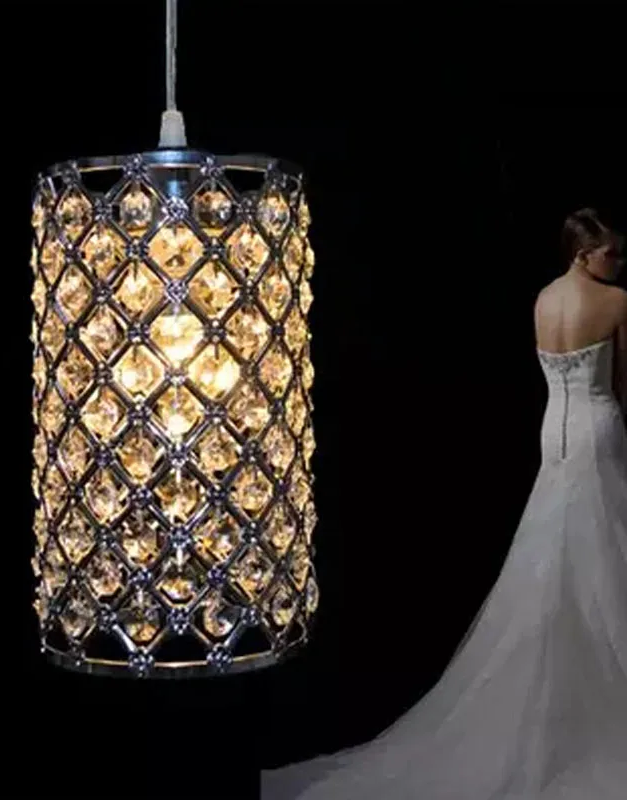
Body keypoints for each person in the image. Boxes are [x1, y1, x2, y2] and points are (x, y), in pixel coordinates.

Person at [261, 208, 627, 799]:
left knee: (563, 546)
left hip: (553, 430)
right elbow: (621, 384)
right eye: (612, 253)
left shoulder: (542, 300)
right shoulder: (617, 303)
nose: (619, 263)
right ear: (583, 253)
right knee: (604, 547)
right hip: (598, 425)